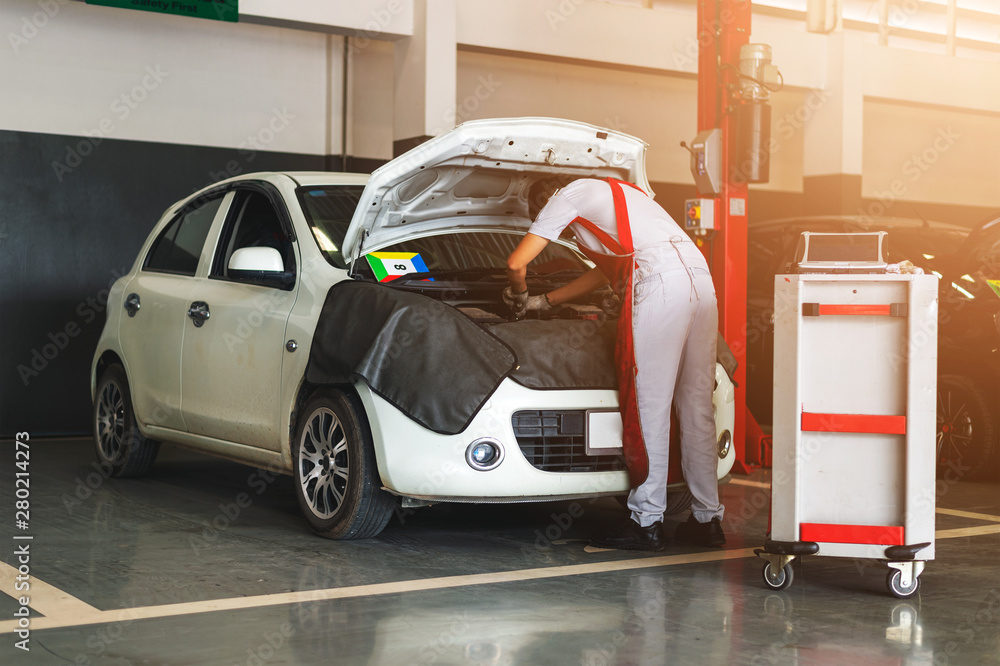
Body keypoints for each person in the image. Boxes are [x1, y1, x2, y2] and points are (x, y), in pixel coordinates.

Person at [504, 176, 725, 551]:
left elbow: (516, 262)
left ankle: (645, 521)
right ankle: (707, 520)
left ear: (544, 200)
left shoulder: (567, 195)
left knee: (649, 405)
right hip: (700, 279)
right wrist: (547, 301)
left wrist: (520, 295)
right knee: (696, 406)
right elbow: (605, 273)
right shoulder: (622, 194)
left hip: (659, 282)